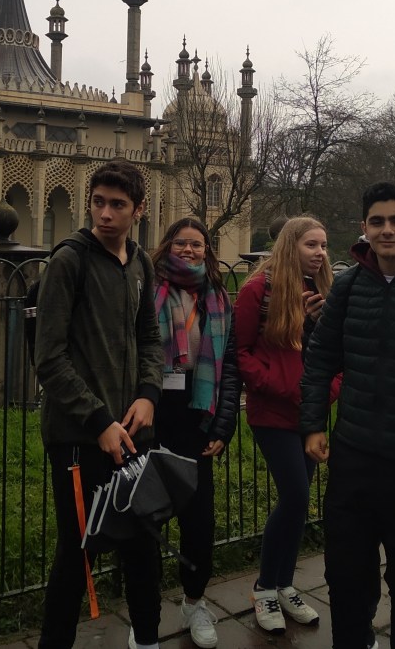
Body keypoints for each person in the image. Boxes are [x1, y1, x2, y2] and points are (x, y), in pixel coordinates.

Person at [301, 181, 395, 649]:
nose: (387, 230)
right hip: (354, 454)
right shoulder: (349, 286)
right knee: (346, 572)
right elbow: (321, 358)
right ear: (364, 228)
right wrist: (313, 423)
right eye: (377, 221)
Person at [34, 160, 163, 649]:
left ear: (139, 210)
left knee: (143, 542)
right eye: (98, 202)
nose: (105, 214)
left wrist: (148, 394)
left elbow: (149, 337)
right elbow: (49, 357)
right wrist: (98, 420)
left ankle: (147, 638)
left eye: (118, 205)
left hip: (133, 430)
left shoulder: (140, 263)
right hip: (80, 436)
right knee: (78, 552)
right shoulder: (70, 261)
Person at [235, 215, 333, 634]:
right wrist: (281, 386)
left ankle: (285, 584)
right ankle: (264, 587)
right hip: (273, 412)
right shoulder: (258, 290)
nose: (320, 253)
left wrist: (326, 392)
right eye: (312, 244)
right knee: (295, 495)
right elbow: (241, 352)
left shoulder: (324, 291)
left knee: (299, 501)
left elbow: (334, 352)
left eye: (324, 245)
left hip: (309, 415)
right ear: (291, 246)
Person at [150, 217, 240, 649]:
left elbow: (231, 366)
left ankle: (194, 601)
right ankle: (145, 612)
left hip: (198, 415)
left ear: (208, 250)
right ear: (168, 245)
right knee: (147, 519)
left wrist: (224, 423)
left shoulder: (217, 297)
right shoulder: (148, 290)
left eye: (197, 244)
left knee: (199, 520)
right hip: (153, 413)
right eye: (181, 243)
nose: (189, 250)